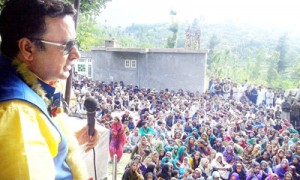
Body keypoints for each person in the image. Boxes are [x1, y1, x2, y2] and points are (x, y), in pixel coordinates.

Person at [0, 0, 100, 179]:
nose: (76, 54)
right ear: (28, 49)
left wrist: (70, 141)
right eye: (66, 46)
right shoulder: (18, 114)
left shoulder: (33, 83)